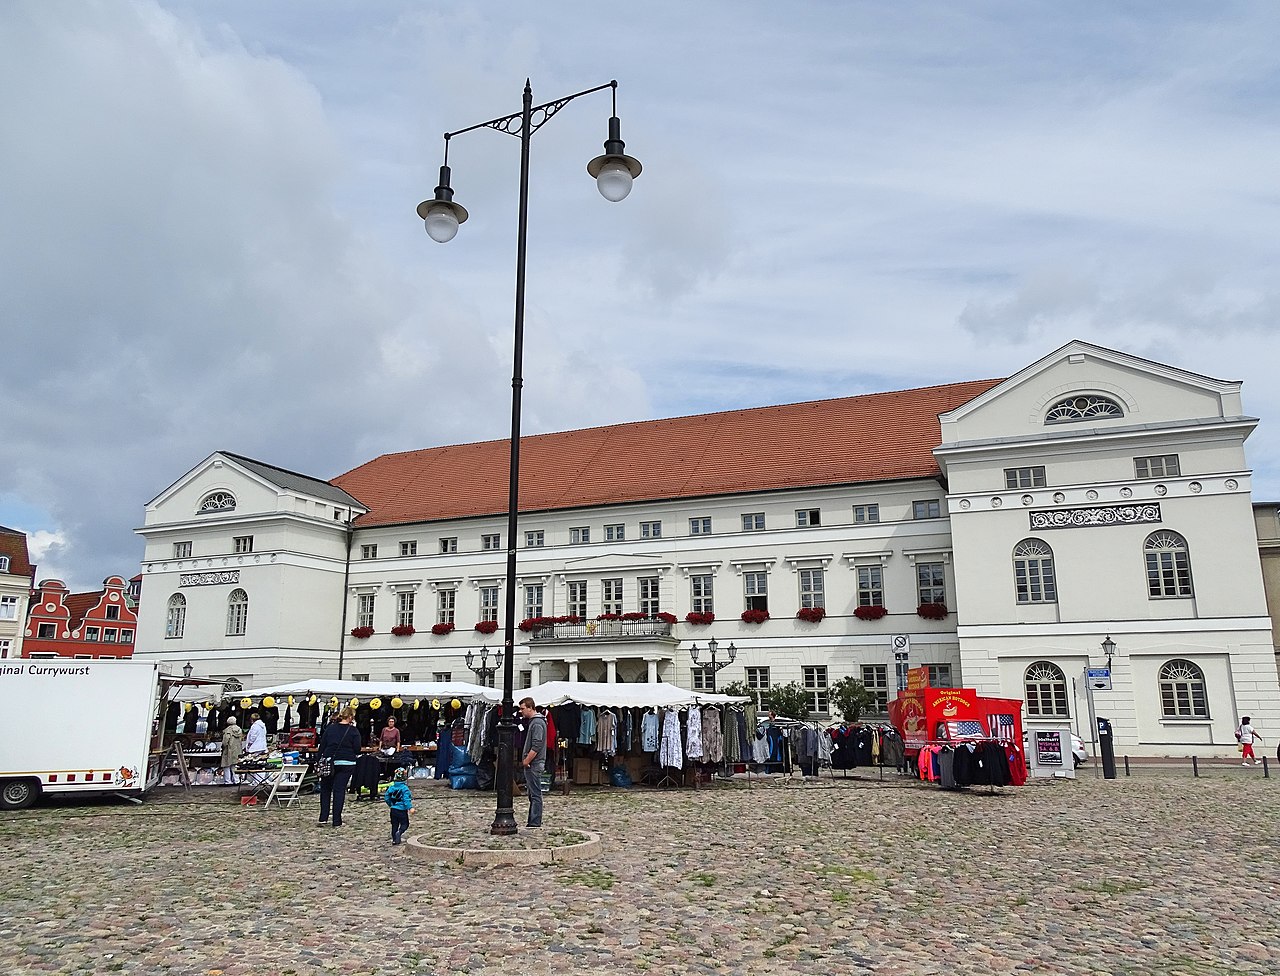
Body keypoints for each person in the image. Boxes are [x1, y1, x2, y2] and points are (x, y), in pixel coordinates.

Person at [317, 707, 362, 826]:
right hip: (347, 762)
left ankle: (323, 817)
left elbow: (322, 745)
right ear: (351, 717)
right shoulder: (353, 731)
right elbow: (357, 749)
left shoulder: (330, 728)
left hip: (329, 761)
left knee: (325, 790)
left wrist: (318, 760)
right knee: (339, 790)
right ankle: (337, 820)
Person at [518, 697, 546, 828]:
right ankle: (532, 821)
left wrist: (527, 760)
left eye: (523, 708)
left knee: (535, 794)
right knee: (533, 793)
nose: (521, 711)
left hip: (534, 763)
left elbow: (537, 744)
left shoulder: (537, 723)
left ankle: (535, 822)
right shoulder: (534, 722)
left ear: (530, 707)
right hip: (533, 763)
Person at [383, 766, 414, 845]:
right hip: (402, 810)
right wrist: (410, 808)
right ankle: (399, 833)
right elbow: (406, 800)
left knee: (394, 824)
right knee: (405, 824)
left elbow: (386, 797)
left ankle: (394, 839)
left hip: (393, 810)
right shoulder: (405, 789)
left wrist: (391, 804)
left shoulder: (391, 787)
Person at [219, 715, 243, 785]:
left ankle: (228, 781)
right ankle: (236, 780)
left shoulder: (228, 730)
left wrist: (223, 747)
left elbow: (225, 741)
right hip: (237, 750)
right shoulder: (239, 730)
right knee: (234, 765)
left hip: (228, 750)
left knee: (226, 765)